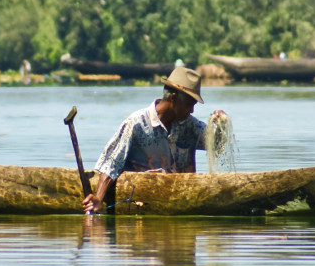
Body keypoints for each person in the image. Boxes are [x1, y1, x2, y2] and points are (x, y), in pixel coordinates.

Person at [82, 67, 221, 213]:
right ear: (173, 99)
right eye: (189, 105)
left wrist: (219, 125)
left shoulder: (188, 124)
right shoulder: (136, 123)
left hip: (181, 200)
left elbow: (216, 145)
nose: (192, 111)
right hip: (141, 201)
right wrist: (98, 198)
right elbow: (110, 164)